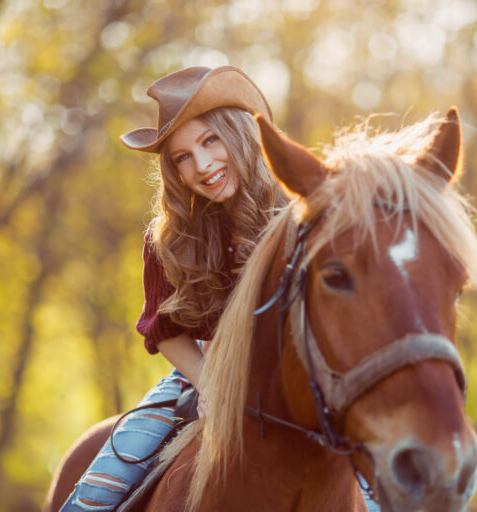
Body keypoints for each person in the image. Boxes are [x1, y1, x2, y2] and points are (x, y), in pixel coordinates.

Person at [60, 65, 381, 512]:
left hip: (304, 383)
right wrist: (210, 384)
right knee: (94, 493)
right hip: (202, 375)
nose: (203, 165)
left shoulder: (300, 216)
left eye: (210, 141)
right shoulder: (169, 237)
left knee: (401, 486)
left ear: (241, 134)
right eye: (182, 157)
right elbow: (163, 328)